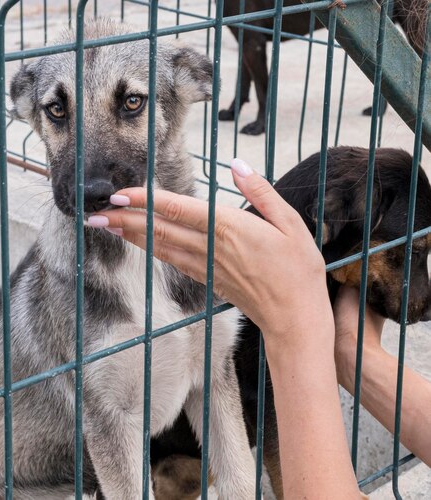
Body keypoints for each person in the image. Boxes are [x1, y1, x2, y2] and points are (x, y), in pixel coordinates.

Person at [87, 158, 431, 498]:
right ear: (334, 221)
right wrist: (350, 349)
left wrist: (315, 335)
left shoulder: (330, 256)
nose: (422, 293)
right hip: (158, 453)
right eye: (413, 254)